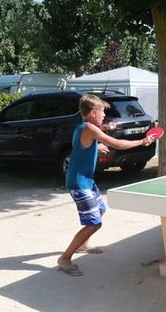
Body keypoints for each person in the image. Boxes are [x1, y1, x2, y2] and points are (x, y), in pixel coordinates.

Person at [58, 94, 155, 276]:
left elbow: (85, 140)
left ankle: (83, 244)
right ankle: (65, 258)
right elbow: (118, 144)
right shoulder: (89, 129)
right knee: (94, 224)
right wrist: (142, 141)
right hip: (79, 183)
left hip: (86, 180)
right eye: (102, 112)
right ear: (93, 113)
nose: (104, 115)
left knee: (100, 210)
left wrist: (97, 142)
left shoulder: (82, 127)